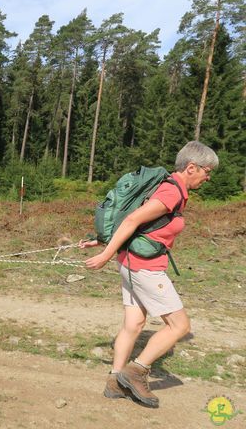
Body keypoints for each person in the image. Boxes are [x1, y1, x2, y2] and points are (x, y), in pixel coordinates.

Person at [80, 141, 218, 408]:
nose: (208, 177)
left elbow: (141, 224)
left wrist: (102, 243)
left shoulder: (167, 186)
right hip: (145, 268)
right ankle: (136, 370)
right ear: (191, 167)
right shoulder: (171, 192)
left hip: (130, 262)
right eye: (206, 171)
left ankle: (114, 381)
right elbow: (131, 220)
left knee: (133, 325)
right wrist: (105, 253)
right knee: (180, 326)